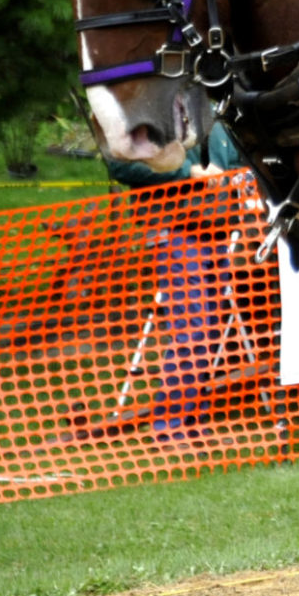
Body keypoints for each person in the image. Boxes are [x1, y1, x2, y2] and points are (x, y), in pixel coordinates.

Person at [107, 123, 244, 451]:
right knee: (192, 328)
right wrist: (188, 172)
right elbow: (120, 162)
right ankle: (168, 426)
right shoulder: (154, 115)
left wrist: (236, 176)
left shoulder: (220, 118)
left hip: (217, 230)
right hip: (176, 232)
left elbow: (239, 161)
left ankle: (192, 420)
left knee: (209, 333)